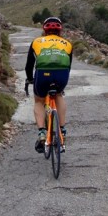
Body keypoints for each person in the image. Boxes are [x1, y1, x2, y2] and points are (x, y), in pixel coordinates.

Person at [25, 16, 73, 153]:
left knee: (39, 101)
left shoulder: (36, 42)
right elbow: (68, 65)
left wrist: (30, 79)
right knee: (58, 95)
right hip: (62, 75)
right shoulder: (67, 43)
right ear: (60, 30)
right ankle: (62, 130)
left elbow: (29, 66)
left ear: (44, 30)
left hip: (43, 74)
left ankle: (41, 133)